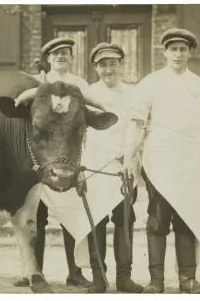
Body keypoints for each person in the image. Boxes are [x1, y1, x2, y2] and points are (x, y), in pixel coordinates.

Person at [120, 28, 200, 294]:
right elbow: (137, 123)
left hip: (190, 162)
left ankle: (188, 279)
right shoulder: (150, 83)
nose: (178, 54)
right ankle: (157, 281)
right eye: (173, 49)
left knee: (187, 220)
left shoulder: (199, 85)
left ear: (190, 53)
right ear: (164, 52)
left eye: (183, 49)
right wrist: (129, 160)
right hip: (159, 161)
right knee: (158, 220)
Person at [12, 37, 93, 289]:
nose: (60, 57)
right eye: (55, 53)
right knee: (37, 217)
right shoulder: (38, 85)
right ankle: (35, 272)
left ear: (71, 58)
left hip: (69, 161)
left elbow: (84, 129)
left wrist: (81, 168)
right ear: (47, 60)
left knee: (70, 217)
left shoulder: (80, 86)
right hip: (43, 163)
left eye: (65, 53)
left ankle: (75, 271)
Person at [76, 42, 144, 293]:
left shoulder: (133, 93)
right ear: (95, 67)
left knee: (125, 221)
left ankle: (124, 277)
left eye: (112, 63)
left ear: (120, 65)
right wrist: (80, 170)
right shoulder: (85, 95)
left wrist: (129, 160)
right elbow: (78, 134)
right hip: (93, 167)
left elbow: (136, 129)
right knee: (97, 222)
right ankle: (98, 278)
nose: (108, 69)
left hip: (124, 167)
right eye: (103, 64)